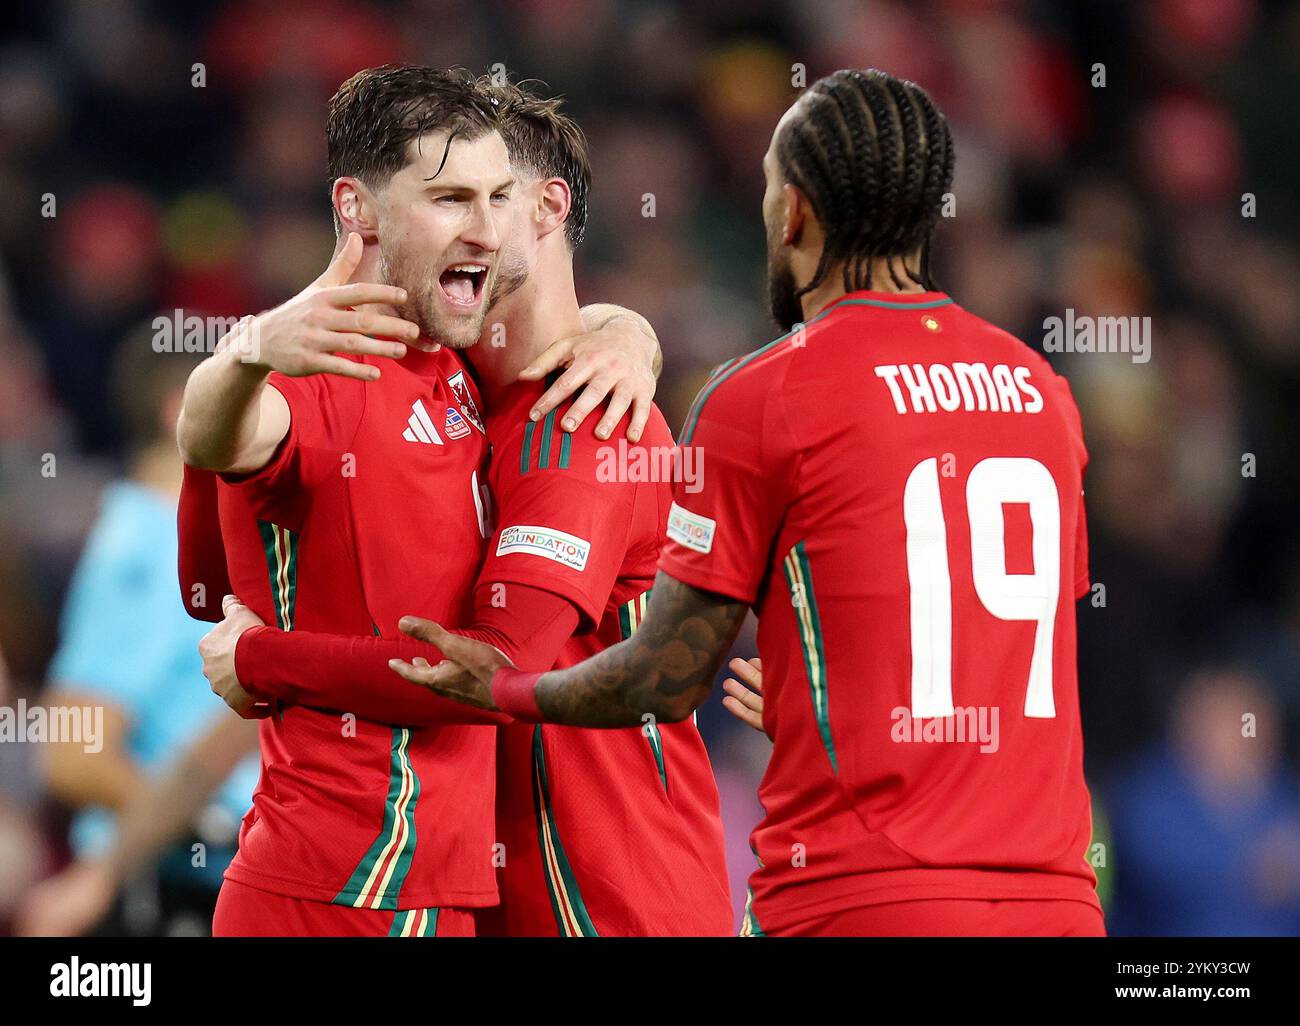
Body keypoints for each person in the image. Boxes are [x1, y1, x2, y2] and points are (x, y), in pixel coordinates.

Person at [398, 69, 1105, 938]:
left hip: (859, 901)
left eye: (770, 192)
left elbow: (667, 676)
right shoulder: (1042, 391)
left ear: (795, 211)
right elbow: (991, 648)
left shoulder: (767, 395)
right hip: (1058, 906)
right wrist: (825, 702)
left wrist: (508, 687)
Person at [195, 80, 733, 936]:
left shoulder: (587, 419)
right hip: (472, 891)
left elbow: (487, 672)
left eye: (495, 198)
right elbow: (222, 514)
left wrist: (264, 659)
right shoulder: (461, 386)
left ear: (547, 207)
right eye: (449, 199)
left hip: (609, 903)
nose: (475, 228)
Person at [33, 324, 259, 936]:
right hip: (172, 897)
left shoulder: (198, 538)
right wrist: (209, 820)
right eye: (254, 391)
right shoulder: (146, 545)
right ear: (183, 410)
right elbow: (72, 752)